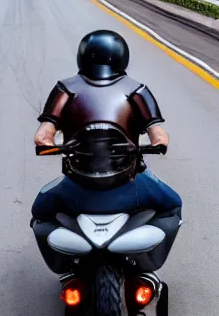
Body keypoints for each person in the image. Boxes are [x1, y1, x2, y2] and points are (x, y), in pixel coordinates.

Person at [32, 30, 182, 222]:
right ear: (122, 56)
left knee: (39, 213)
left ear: (82, 56)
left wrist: (54, 146)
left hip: (77, 183)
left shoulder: (65, 89)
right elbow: (158, 134)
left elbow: (42, 137)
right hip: (128, 180)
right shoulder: (137, 90)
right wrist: (156, 145)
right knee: (173, 203)